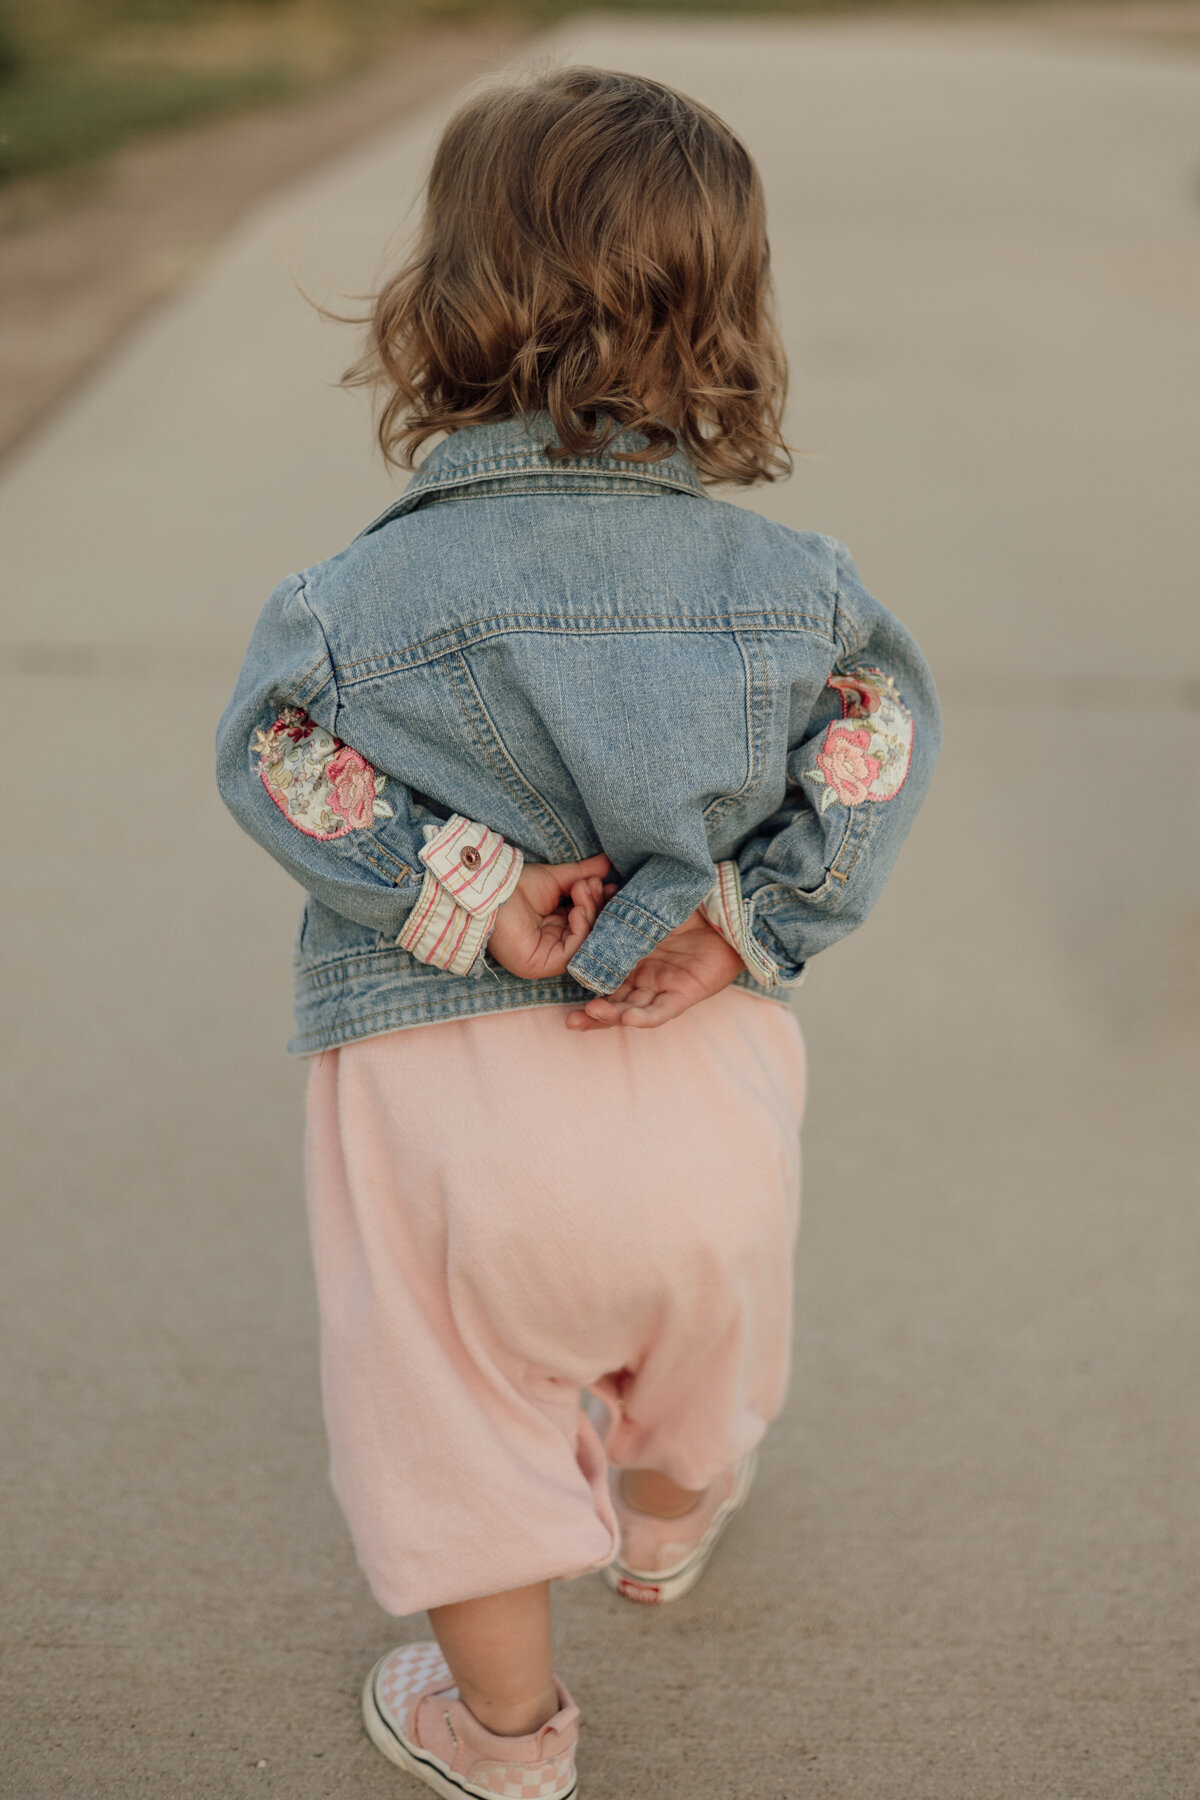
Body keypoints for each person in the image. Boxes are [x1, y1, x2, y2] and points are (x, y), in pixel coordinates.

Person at [216, 65, 940, 1800]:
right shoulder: (798, 584)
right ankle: (671, 1524)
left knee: (444, 1413)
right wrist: (747, 923)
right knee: (710, 1348)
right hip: (695, 1074)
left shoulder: (350, 601)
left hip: (434, 1078)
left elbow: (279, 758)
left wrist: (468, 889)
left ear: (445, 304)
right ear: (730, 317)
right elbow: (878, 735)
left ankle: (508, 1735)